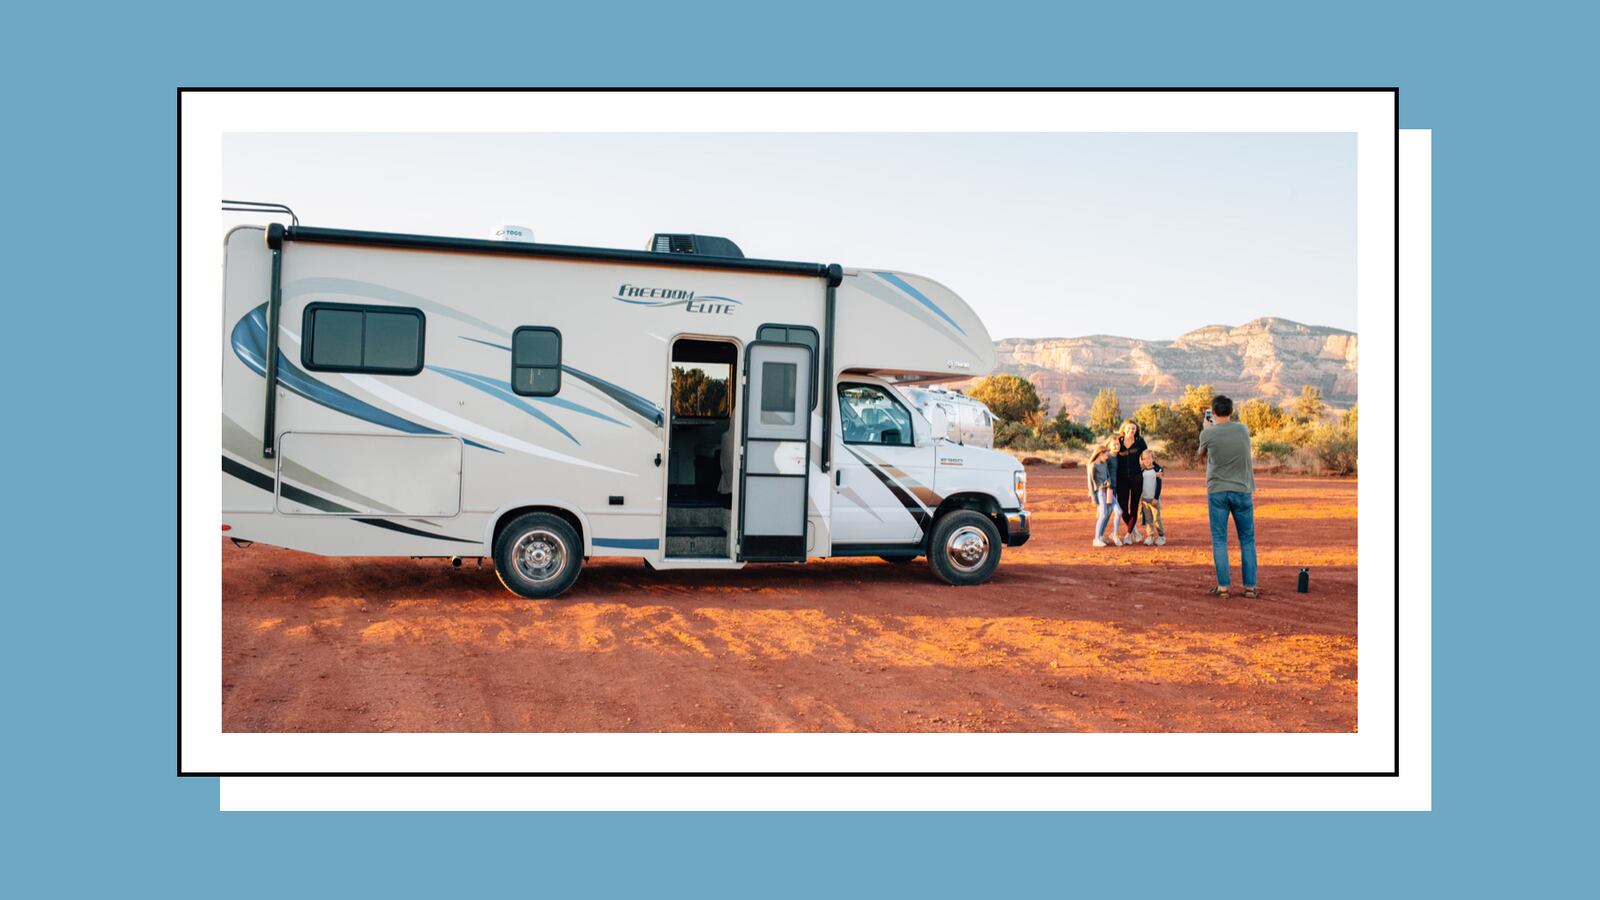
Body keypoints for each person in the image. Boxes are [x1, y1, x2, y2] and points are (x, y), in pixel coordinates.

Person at [1197, 395, 1258, 598]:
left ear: (1213, 412)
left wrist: (1207, 430)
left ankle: (1223, 587)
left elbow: (1202, 457)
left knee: (1220, 540)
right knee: (1247, 540)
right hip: (1242, 489)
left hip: (1218, 491)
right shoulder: (1243, 429)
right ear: (1231, 411)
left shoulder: (1208, 434)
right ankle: (1249, 587)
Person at [1113, 419, 1148, 544]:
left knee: (1134, 507)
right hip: (1121, 479)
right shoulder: (1119, 441)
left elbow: (1148, 457)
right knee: (1122, 509)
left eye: (1133, 428)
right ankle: (1134, 531)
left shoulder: (1140, 442)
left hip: (1136, 478)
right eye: (1129, 428)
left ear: (1136, 430)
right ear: (1124, 429)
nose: (1131, 431)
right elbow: (1110, 453)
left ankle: (1128, 534)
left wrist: (1157, 469)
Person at [1087, 437, 1122, 547]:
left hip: (1109, 491)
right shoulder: (1092, 466)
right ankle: (1097, 538)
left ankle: (1113, 534)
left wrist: (1108, 482)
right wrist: (1093, 498)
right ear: (1100, 454)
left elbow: (1108, 476)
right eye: (1106, 455)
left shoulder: (1104, 464)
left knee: (1118, 511)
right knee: (1103, 515)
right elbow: (1090, 483)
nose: (1107, 457)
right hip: (1101, 493)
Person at [1138, 449, 1165, 546]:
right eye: (1144, 459)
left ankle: (1161, 536)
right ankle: (1150, 536)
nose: (1146, 461)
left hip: (1154, 499)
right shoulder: (1142, 470)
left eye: (1149, 458)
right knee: (1148, 519)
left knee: (1156, 519)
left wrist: (1156, 498)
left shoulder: (1157, 470)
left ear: (1153, 459)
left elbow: (1159, 486)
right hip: (1144, 499)